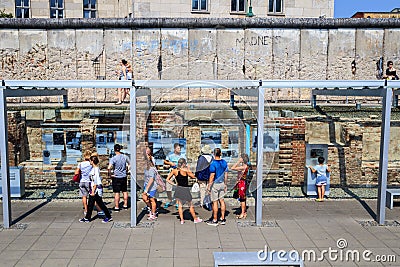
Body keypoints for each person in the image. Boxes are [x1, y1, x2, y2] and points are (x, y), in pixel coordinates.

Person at [166, 158, 203, 224]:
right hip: (185, 189)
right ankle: (195, 218)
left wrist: (174, 184)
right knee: (190, 205)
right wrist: (189, 169)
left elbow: (167, 179)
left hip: (178, 189)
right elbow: (193, 176)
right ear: (183, 164)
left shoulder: (174, 170)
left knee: (180, 205)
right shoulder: (185, 170)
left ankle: (182, 220)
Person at [79, 155, 113, 223]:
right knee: (92, 204)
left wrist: (93, 191)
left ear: (92, 161)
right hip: (94, 189)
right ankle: (87, 218)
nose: (89, 162)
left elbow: (96, 182)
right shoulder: (94, 169)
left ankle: (108, 217)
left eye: (90, 161)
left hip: (95, 189)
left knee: (99, 204)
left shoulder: (95, 170)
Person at [76, 150, 105, 217]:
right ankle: (99, 210)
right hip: (89, 182)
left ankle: (86, 210)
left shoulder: (80, 164)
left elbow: (76, 172)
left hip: (82, 181)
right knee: (93, 197)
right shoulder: (90, 164)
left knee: (84, 196)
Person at [205, 148, 228, 226]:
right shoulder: (224, 162)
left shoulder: (213, 164)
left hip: (215, 184)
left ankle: (215, 220)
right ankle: (222, 218)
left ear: (214, 154)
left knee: (214, 202)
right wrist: (225, 184)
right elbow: (226, 174)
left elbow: (212, 176)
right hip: (222, 183)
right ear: (220, 153)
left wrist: (208, 186)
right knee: (222, 201)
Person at [108, 144, 130, 212]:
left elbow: (109, 167)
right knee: (124, 191)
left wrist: (110, 174)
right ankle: (125, 205)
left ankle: (117, 207)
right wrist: (127, 170)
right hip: (123, 176)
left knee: (117, 192)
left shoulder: (113, 158)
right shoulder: (125, 156)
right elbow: (129, 164)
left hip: (116, 177)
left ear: (114, 149)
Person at [163, 143, 186, 209]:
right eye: (178, 148)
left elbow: (185, 163)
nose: (179, 150)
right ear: (175, 149)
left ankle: (177, 202)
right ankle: (170, 199)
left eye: (180, 148)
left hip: (179, 172)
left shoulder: (183, 155)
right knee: (168, 185)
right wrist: (170, 163)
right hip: (172, 172)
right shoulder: (170, 155)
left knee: (179, 187)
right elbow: (165, 161)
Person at [230, 153, 250, 219]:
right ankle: (244, 212)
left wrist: (238, 162)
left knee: (242, 199)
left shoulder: (243, 167)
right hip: (241, 182)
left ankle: (242, 213)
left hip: (242, 183)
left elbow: (232, 168)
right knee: (243, 198)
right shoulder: (244, 166)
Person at [195, 144, 213, 209]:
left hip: (201, 176)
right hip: (210, 176)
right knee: (209, 190)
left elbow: (198, 168)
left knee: (202, 190)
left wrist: (196, 176)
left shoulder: (201, 158)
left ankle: (202, 203)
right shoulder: (212, 158)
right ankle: (208, 202)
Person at [143, 148, 158, 221]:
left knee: (152, 200)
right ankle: (151, 208)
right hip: (146, 184)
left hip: (152, 187)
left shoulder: (152, 169)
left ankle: (153, 213)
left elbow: (151, 180)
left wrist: (146, 189)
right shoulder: (146, 168)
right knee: (145, 198)